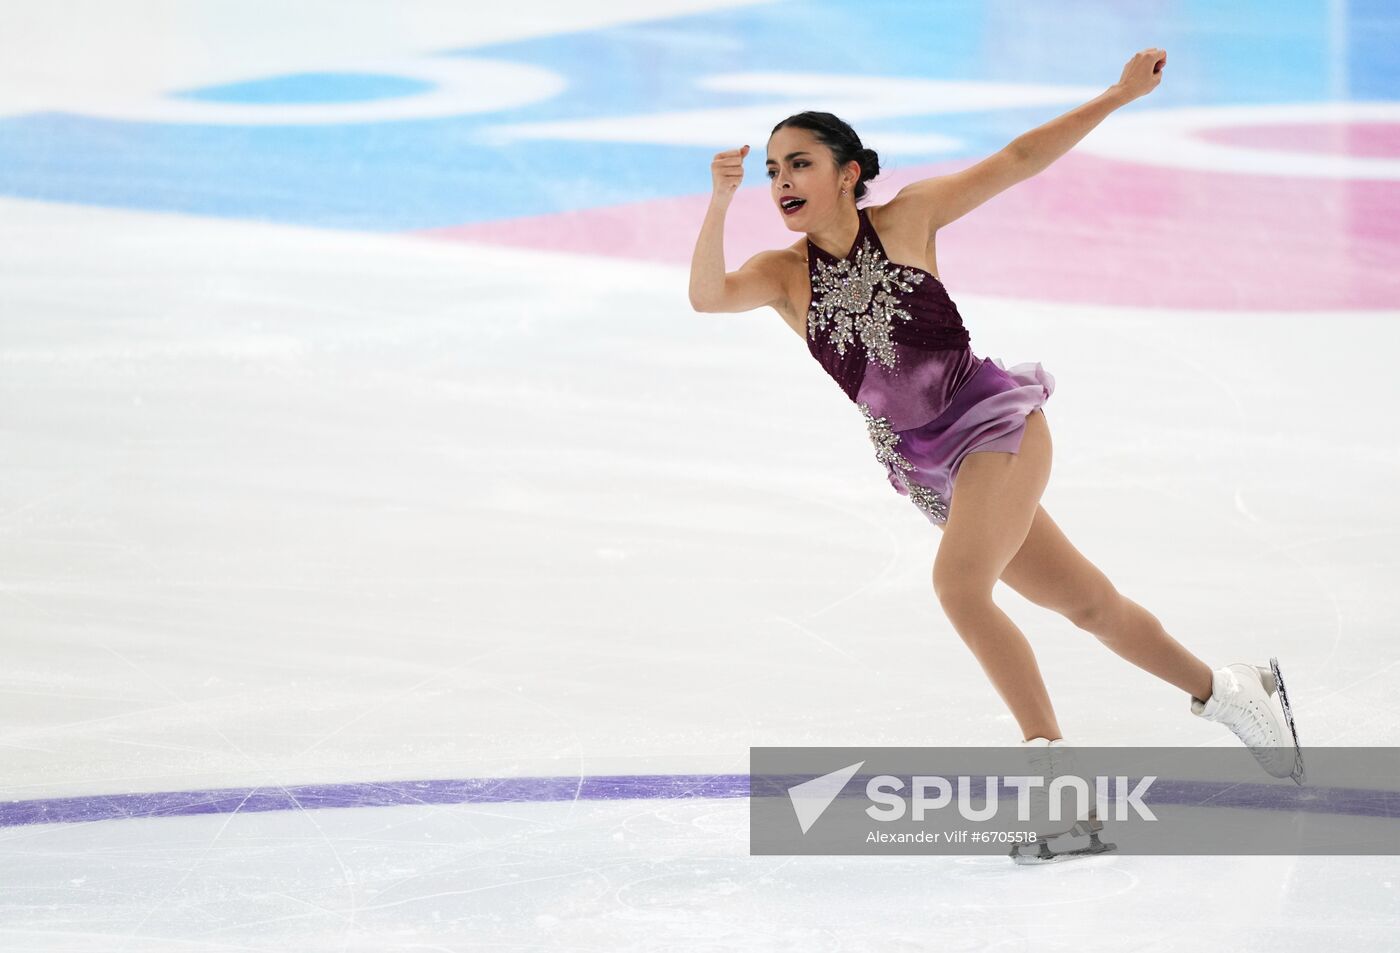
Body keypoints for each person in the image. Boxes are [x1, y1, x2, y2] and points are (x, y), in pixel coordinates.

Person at [688, 49, 1303, 858]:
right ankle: (1232, 690)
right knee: (1090, 605)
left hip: (992, 425)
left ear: (848, 172)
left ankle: (1059, 788)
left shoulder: (908, 219)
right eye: (772, 171)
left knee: (959, 585)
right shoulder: (780, 274)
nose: (782, 182)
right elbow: (706, 295)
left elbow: (1017, 161)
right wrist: (719, 200)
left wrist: (1116, 95)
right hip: (928, 470)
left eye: (798, 163)